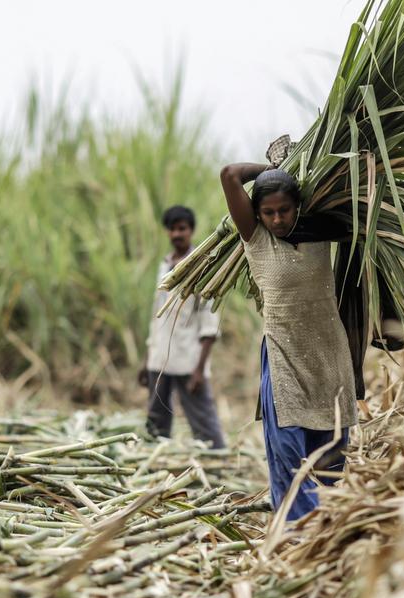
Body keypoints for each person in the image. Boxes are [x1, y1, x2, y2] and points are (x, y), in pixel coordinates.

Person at [219, 163, 357, 521]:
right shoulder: (256, 239)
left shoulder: (322, 230)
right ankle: (299, 532)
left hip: (329, 356)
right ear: (257, 213)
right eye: (268, 212)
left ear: (298, 206)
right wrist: (275, 167)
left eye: (284, 210)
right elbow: (229, 175)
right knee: (288, 453)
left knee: (329, 457)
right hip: (284, 357)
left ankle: (329, 526)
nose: (277, 219)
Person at [139, 205, 226, 449]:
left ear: (191, 230)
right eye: (172, 229)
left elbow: (209, 323)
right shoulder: (164, 266)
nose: (177, 234)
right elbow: (157, 318)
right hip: (159, 358)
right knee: (156, 421)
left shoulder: (201, 267)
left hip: (188, 359)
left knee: (204, 421)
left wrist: (200, 369)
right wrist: (147, 359)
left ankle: (218, 462)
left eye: (182, 229)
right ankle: (155, 462)